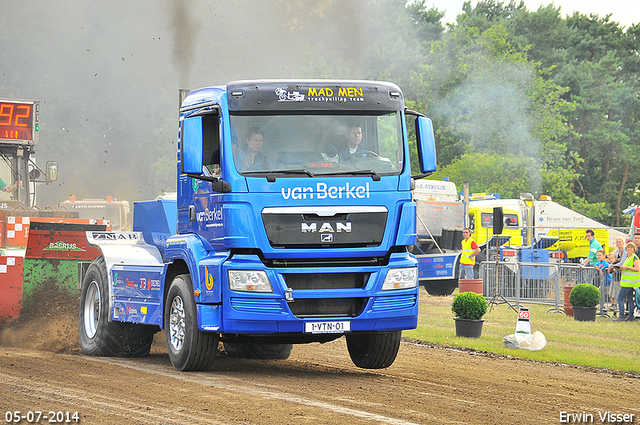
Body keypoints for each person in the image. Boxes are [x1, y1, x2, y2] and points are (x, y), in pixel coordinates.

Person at [614, 242, 640, 322]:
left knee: (620, 298)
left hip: (629, 282)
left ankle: (621, 316)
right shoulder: (627, 257)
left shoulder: (634, 258)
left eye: (631, 248)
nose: (629, 249)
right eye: (628, 247)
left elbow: (637, 268)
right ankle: (631, 316)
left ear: (634, 249)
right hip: (628, 282)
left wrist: (627, 267)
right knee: (629, 299)